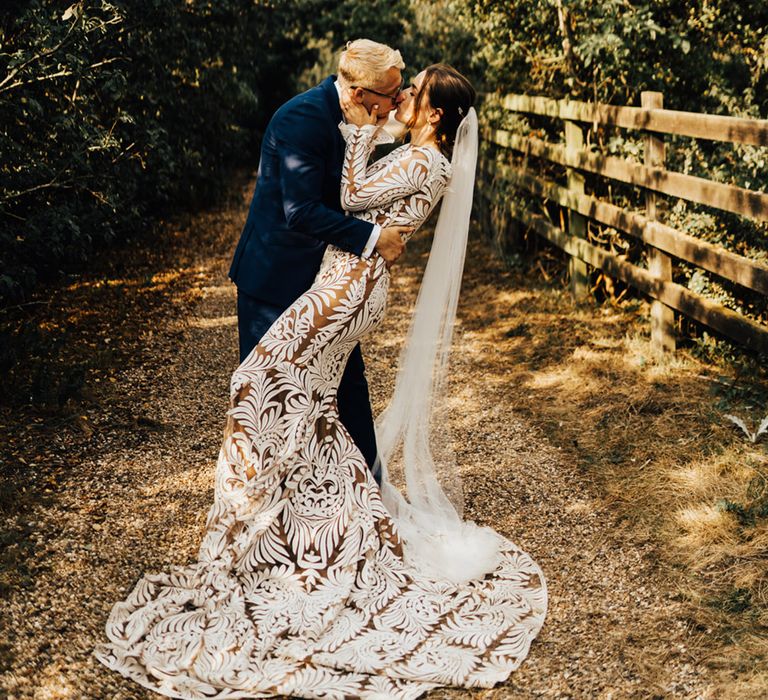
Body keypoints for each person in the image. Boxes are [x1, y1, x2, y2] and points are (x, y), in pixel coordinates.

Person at [95, 61, 547, 699]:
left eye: (413, 92)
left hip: (348, 286)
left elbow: (355, 196)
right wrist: (369, 132)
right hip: (344, 279)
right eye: (401, 88)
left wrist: (360, 131)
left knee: (261, 380)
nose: (405, 98)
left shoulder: (423, 163)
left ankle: (290, 518)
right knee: (314, 406)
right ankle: (311, 520)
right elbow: (356, 198)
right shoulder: (414, 152)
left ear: (437, 114)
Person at [228, 39, 413, 482]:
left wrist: (400, 127)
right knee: (269, 395)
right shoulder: (300, 119)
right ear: (357, 94)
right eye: (392, 94)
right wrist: (376, 238)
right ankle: (262, 503)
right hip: (275, 281)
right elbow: (302, 211)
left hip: (328, 282)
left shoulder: (361, 114)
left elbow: (363, 172)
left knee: (348, 387)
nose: (398, 99)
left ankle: (373, 495)